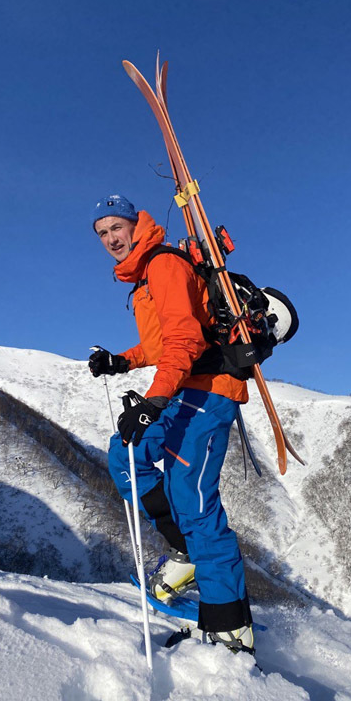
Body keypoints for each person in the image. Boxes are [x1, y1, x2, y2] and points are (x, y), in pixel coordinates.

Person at [89, 194, 254, 654]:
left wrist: (153, 401)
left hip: (210, 389)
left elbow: (186, 338)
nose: (109, 239)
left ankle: (231, 631)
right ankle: (187, 554)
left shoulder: (163, 265)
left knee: (194, 500)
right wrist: (120, 362)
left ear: (133, 224)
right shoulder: (143, 278)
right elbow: (161, 347)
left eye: (114, 228)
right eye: (101, 233)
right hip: (185, 389)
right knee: (126, 456)